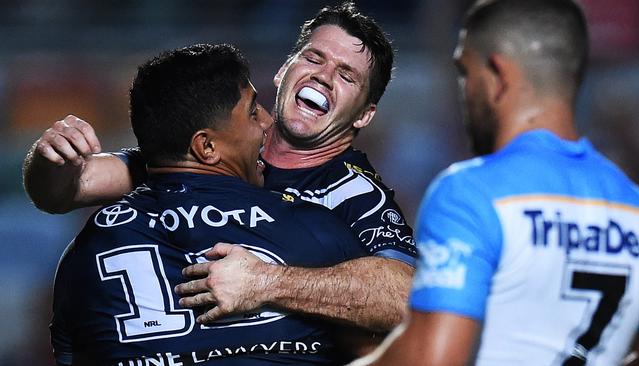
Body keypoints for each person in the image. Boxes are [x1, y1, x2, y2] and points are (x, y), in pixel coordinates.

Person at [23, 1, 415, 349]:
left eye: (347, 75)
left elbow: (407, 298)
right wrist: (50, 157)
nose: (323, 76)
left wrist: (268, 283)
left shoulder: (356, 194)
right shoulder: (218, 144)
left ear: (364, 115)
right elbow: (66, 189)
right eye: (314, 58)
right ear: (283, 71)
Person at [350, 0, 639, 365]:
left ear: (497, 72)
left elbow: (434, 358)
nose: (462, 89)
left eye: (464, 71)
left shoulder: (471, 193)